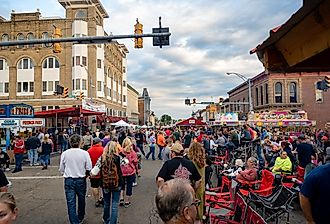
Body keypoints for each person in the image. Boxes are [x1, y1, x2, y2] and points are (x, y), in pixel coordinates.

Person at [59, 134, 92, 224]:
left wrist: (65, 172)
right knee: (81, 200)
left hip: (69, 179)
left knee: (71, 202)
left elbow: (61, 168)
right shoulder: (85, 153)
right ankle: (80, 217)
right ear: (80, 142)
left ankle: (74, 221)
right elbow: (89, 167)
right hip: (80, 179)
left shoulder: (65, 153)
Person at [100, 141, 123, 224]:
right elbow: (123, 166)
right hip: (116, 182)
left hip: (105, 182)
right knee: (115, 204)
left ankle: (106, 219)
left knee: (106, 203)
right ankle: (113, 222)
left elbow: (96, 169)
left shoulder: (102, 157)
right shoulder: (118, 158)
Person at [188, 142, 206, 221]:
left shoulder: (192, 163)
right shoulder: (202, 161)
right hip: (202, 187)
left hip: (195, 187)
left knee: (194, 211)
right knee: (200, 209)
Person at [120, 138, 138, 208]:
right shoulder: (132, 152)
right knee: (129, 186)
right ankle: (127, 201)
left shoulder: (120, 151)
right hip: (130, 171)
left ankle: (121, 198)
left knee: (122, 185)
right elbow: (135, 162)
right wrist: (136, 169)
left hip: (121, 171)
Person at [87, 137, 104, 207]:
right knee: (103, 186)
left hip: (93, 171)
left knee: (94, 186)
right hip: (102, 171)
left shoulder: (89, 151)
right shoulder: (103, 149)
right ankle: (102, 198)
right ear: (98, 142)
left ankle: (96, 200)